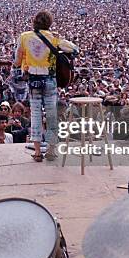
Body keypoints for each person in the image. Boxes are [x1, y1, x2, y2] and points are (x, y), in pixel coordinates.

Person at [14, 10, 78, 162]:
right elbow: (75, 49)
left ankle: (37, 152)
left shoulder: (24, 37)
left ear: (34, 21)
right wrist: (58, 38)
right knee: (51, 116)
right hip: (50, 80)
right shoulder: (54, 38)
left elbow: (16, 60)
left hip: (33, 80)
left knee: (36, 116)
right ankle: (51, 150)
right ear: (50, 23)